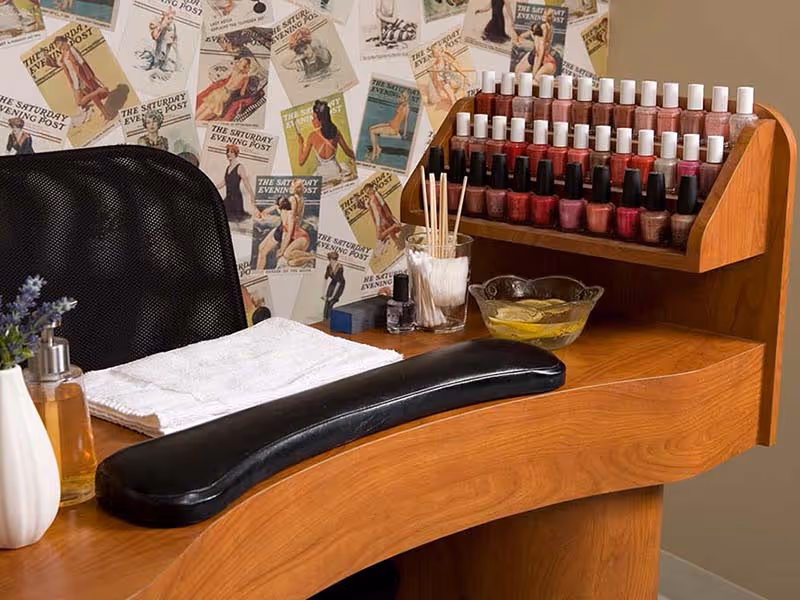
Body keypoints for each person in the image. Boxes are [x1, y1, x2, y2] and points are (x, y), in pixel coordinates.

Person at [46, 35, 111, 121]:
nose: (60, 47)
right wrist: (47, 57)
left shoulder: (72, 50)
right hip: (75, 81)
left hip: (81, 78)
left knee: (80, 101)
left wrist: (90, 76)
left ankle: (104, 110)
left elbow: (82, 62)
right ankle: (103, 105)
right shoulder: (63, 55)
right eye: (58, 46)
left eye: (60, 44)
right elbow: (58, 64)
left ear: (65, 42)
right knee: (90, 97)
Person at [255, 179, 315, 270]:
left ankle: (258, 274)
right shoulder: (295, 201)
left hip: (289, 233)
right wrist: (264, 212)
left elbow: (288, 231)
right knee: (261, 249)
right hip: (284, 230)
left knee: (266, 251)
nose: (290, 188)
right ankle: (258, 274)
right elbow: (277, 208)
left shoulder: (293, 203)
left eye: (293, 186)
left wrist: (282, 249)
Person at [295, 99, 356, 186]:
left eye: (314, 118)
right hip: (336, 172)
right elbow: (348, 152)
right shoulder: (335, 132)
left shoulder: (312, 136)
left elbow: (301, 161)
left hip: (322, 176)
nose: (312, 121)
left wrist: (300, 144)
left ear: (321, 120)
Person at [196, 56, 253, 121]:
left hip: (219, 91)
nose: (238, 63)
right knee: (206, 112)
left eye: (239, 62)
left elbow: (224, 77)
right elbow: (242, 93)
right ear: (246, 66)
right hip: (225, 96)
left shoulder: (234, 71)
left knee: (205, 106)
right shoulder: (245, 77)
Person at [214, 144, 256, 221]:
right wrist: (213, 188)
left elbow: (246, 182)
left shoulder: (240, 167)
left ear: (236, 154)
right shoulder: (228, 167)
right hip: (228, 198)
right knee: (218, 213)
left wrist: (252, 195)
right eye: (227, 152)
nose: (228, 154)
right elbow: (225, 182)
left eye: (231, 152)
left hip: (236, 200)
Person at [367, 90, 410, 162]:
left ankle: (374, 152)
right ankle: (378, 148)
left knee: (372, 131)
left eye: (399, 97)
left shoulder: (406, 108)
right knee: (370, 128)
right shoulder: (402, 105)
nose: (398, 99)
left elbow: (405, 122)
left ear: (404, 98)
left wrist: (404, 134)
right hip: (390, 124)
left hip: (393, 129)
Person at [514, 10, 557, 81]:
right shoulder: (544, 27)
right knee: (518, 71)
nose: (548, 17)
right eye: (546, 15)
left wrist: (535, 71)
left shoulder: (544, 28)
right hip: (536, 55)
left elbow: (540, 52)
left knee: (534, 78)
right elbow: (525, 35)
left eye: (550, 15)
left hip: (542, 58)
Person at [363, 183, 402, 251]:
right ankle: (397, 241)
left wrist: (383, 219)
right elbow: (374, 209)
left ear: (372, 188)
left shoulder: (375, 197)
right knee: (389, 231)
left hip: (381, 218)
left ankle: (395, 229)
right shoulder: (371, 199)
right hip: (379, 219)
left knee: (380, 236)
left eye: (369, 190)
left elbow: (380, 207)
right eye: (366, 191)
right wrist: (368, 206)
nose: (368, 192)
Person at [428, 42, 467, 110]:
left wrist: (464, 75)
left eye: (439, 51)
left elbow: (456, 67)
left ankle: (454, 100)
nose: (439, 54)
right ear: (434, 54)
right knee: (445, 85)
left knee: (447, 83)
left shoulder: (445, 59)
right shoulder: (435, 66)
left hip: (455, 80)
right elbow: (437, 80)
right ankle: (453, 101)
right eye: (435, 52)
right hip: (446, 85)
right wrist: (438, 88)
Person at [148, 8, 179, 72]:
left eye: (172, 18)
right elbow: (154, 28)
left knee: (166, 52)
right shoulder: (160, 21)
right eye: (169, 17)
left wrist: (173, 38)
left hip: (168, 40)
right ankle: (156, 64)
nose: (170, 19)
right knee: (159, 50)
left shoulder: (172, 24)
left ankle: (163, 65)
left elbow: (173, 33)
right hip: (161, 39)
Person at [322, 251, 345, 320]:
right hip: (333, 282)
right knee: (327, 300)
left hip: (340, 284)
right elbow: (325, 279)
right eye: (331, 260)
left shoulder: (340, 267)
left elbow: (338, 283)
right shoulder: (328, 267)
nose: (331, 261)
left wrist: (332, 296)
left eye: (333, 260)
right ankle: (325, 317)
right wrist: (323, 293)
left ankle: (329, 318)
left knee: (332, 301)